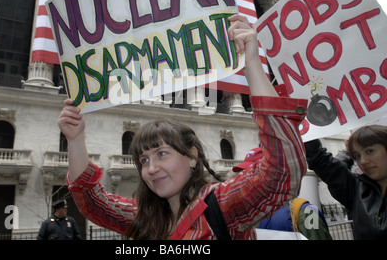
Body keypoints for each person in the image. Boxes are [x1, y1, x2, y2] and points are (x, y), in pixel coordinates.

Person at [58, 13, 308, 240]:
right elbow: (92, 203)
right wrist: (75, 139)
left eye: (161, 154)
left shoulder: (223, 204)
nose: (151, 169)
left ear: (192, 156)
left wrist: (252, 62)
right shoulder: (147, 219)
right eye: (143, 160)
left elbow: (282, 174)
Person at [305, 125, 387, 240]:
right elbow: (321, 161)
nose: (363, 161)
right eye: (357, 156)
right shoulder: (357, 189)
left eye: (370, 151)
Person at [230, 148, 333, 240]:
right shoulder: (242, 219)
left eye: (253, 173)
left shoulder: (307, 212)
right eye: (245, 174)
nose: (246, 180)